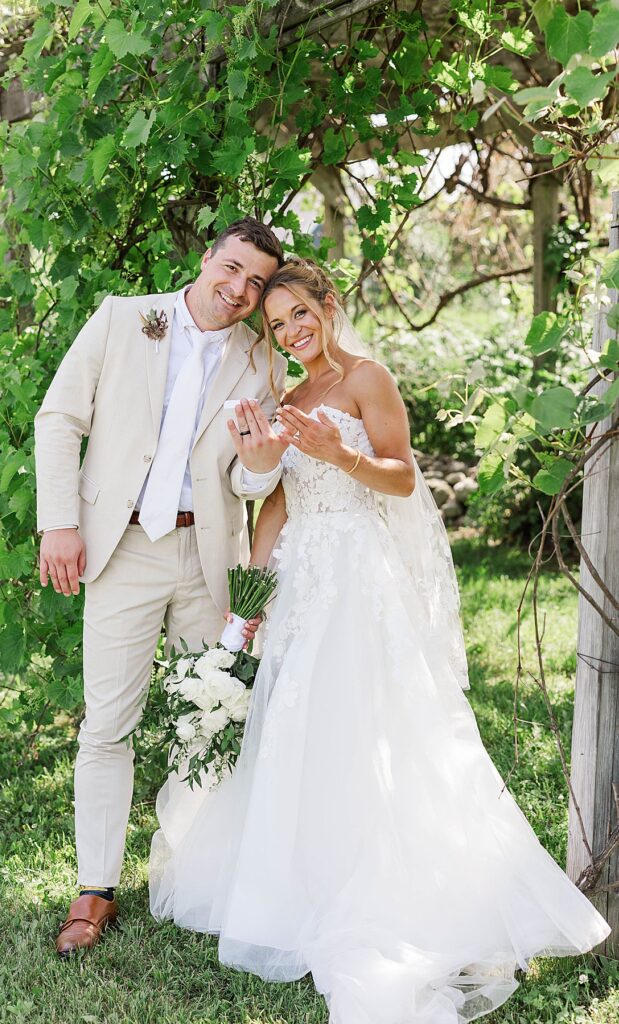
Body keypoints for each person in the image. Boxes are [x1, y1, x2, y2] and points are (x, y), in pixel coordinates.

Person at [149, 258, 610, 1024]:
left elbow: (401, 477)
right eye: (277, 324)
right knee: (297, 721)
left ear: (328, 306)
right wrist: (252, 594)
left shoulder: (368, 378)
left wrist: (341, 455)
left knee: (374, 719)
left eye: (300, 313)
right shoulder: (287, 395)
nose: (291, 331)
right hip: (301, 577)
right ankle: (296, 879)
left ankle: (398, 878)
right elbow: (277, 506)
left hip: (360, 572)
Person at [34, 218, 289, 956]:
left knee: (205, 720)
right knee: (107, 723)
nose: (239, 291)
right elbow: (59, 420)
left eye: (255, 284)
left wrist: (263, 459)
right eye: (232, 270)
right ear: (206, 257)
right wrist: (59, 523)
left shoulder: (263, 360)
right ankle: (95, 890)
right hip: (120, 551)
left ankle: (190, 875)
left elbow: (247, 480)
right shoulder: (123, 318)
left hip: (210, 559)